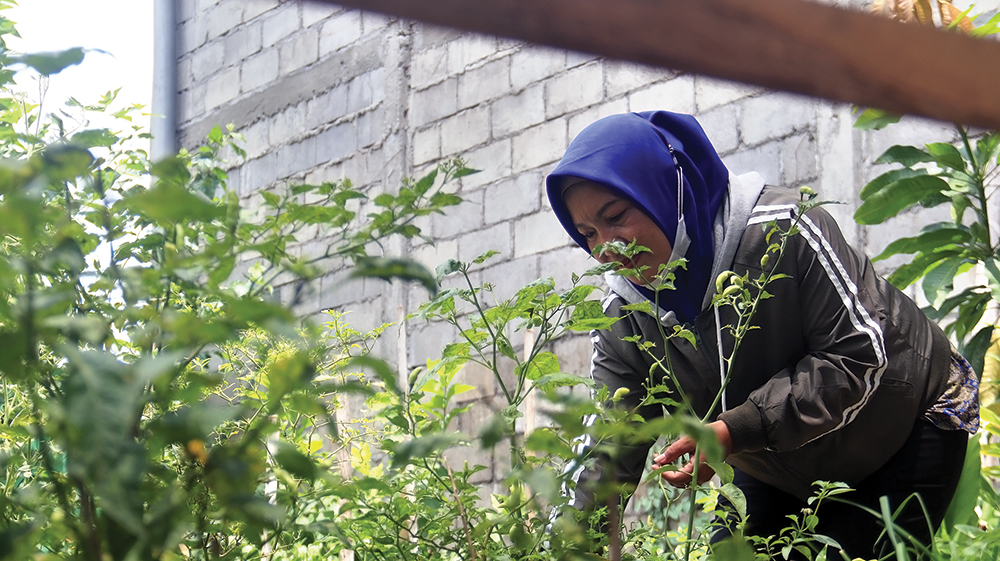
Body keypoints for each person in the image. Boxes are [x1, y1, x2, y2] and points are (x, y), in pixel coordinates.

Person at [545, 110, 979, 557]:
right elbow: (611, 436)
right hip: (773, 450)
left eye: (615, 216)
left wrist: (733, 430)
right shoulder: (625, 313)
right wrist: (574, 544)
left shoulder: (785, 230)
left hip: (901, 419)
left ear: (666, 189)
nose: (605, 249)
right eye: (588, 234)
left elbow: (857, 356)